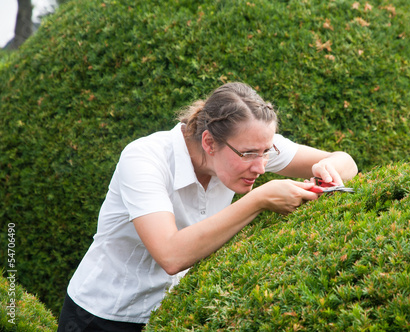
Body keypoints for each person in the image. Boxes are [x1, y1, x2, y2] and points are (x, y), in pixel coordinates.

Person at [57, 82, 358, 331]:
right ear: (209, 143)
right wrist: (259, 200)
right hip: (101, 316)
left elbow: (347, 162)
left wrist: (327, 168)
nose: (261, 166)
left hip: (174, 313)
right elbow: (171, 255)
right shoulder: (145, 158)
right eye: (250, 154)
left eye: (267, 152)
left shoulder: (248, 145)